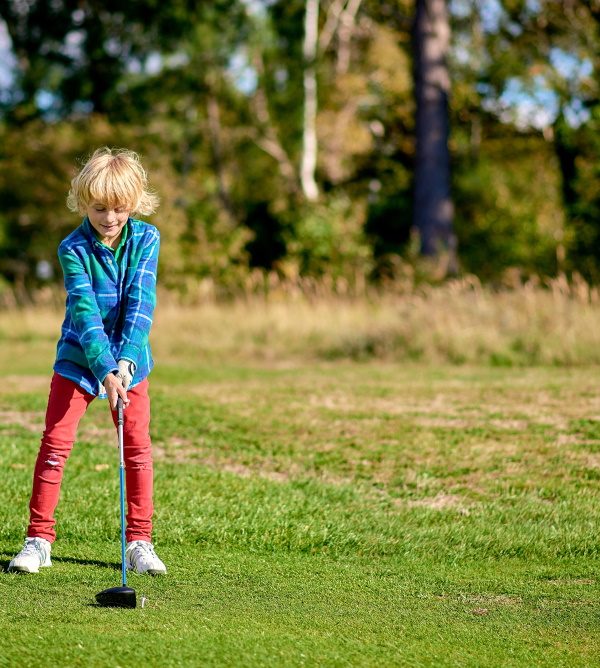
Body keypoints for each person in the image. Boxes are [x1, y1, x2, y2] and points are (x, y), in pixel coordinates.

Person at [8, 147, 166, 575]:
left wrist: (125, 364)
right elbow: (84, 312)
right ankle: (38, 539)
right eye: (99, 208)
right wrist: (104, 369)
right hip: (80, 358)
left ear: (133, 204)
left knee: (136, 449)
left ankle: (139, 542)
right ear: (84, 203)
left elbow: (140, 306)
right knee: (55, 445)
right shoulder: (72, 247)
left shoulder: (147, 240)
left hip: (132, 361)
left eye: (118, 208)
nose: (110, 218)